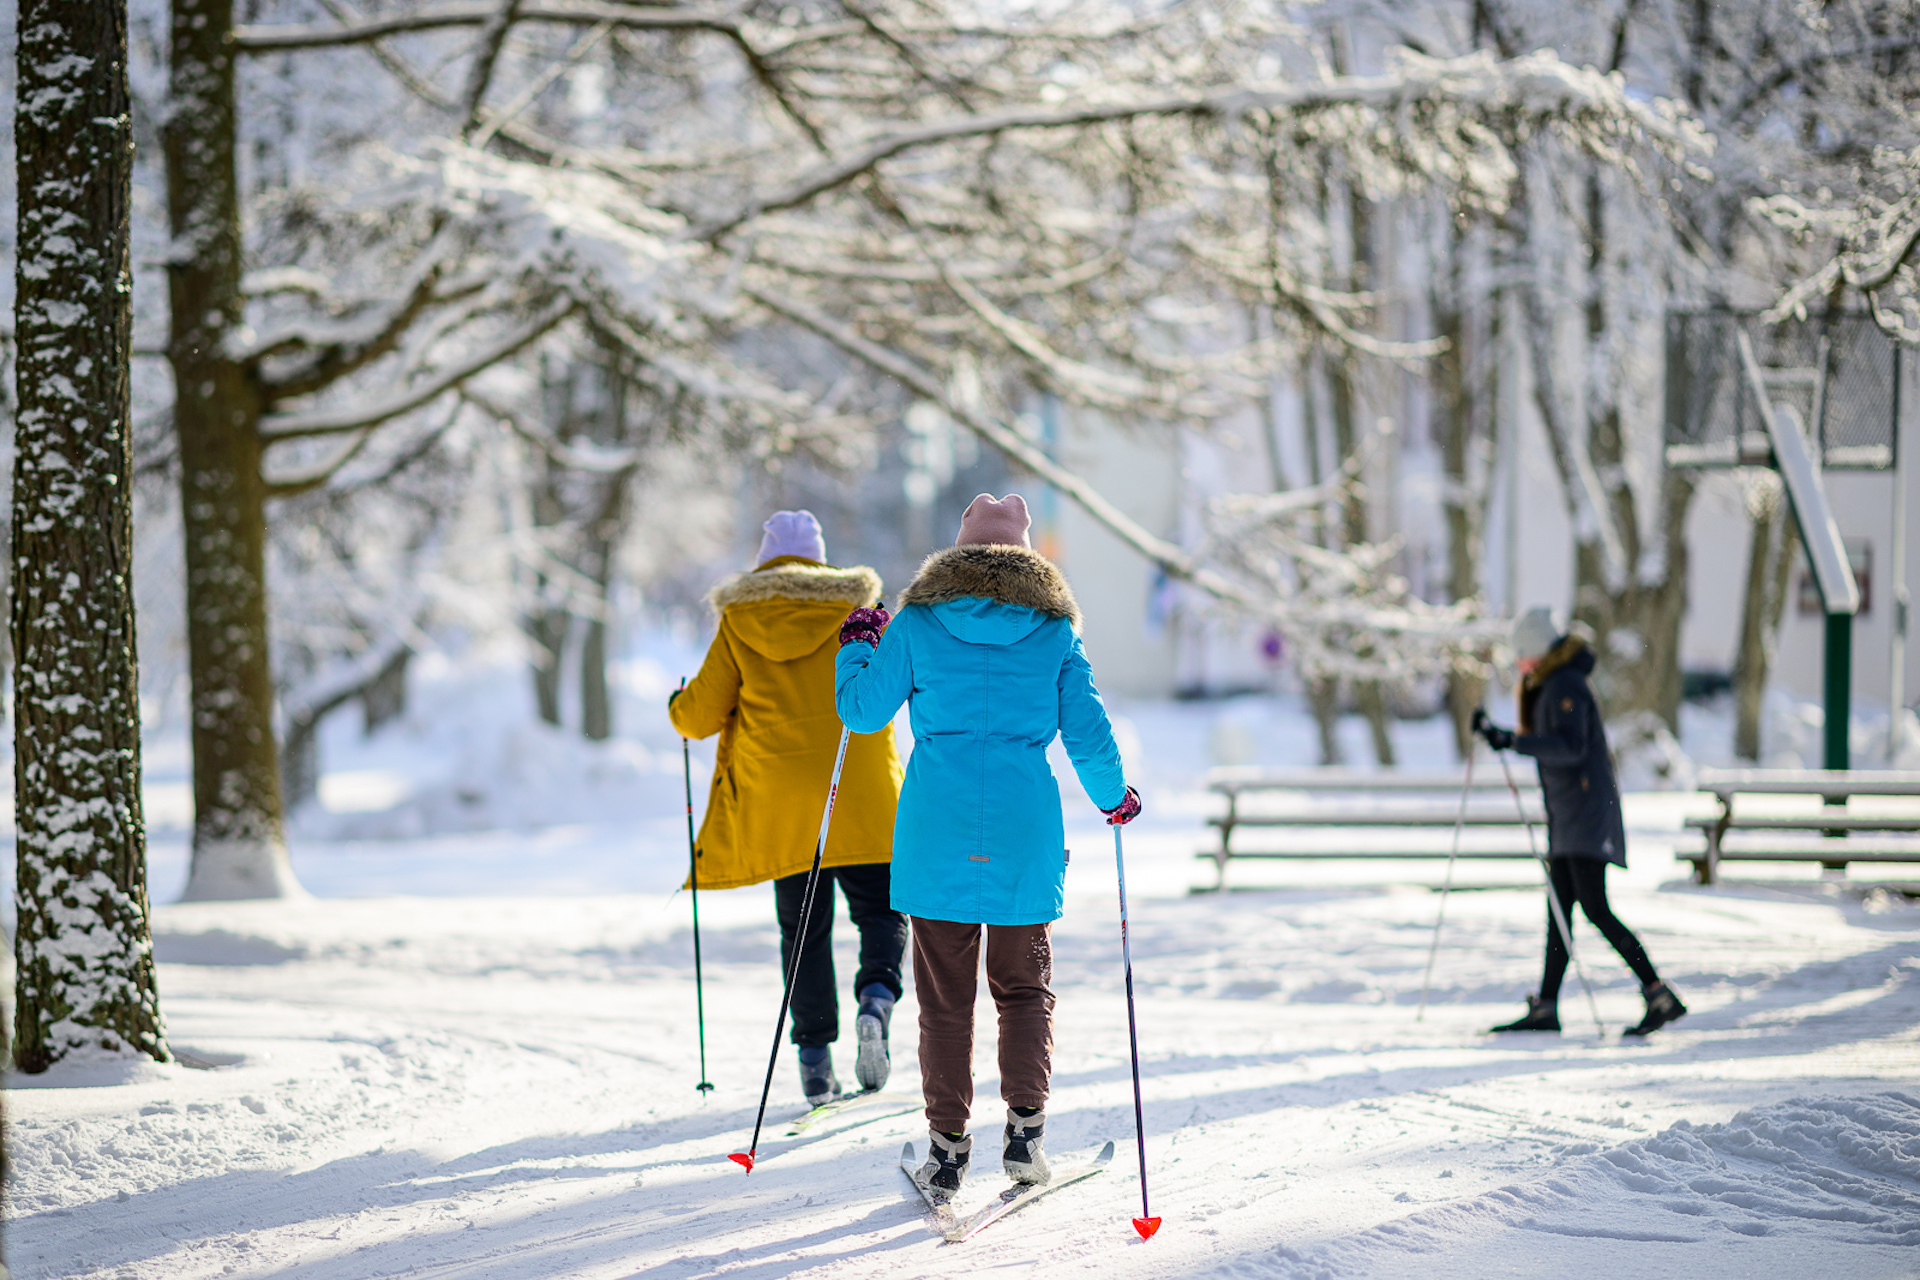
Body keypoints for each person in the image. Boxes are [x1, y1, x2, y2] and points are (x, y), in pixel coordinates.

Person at [834, 493, 1140, 1199]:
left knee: (944, 1001)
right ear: (1026, 558)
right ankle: (1026, 1142)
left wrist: (857, 646)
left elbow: (861, 711)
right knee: (1025, 990)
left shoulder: (915, 622)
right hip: (1022, 834)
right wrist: (1113, 798)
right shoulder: (1055, 632)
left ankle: (946, 1154)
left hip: (935, 831)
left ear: (961, 555)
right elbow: (1087, 733)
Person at [669, 510, 907, 1105]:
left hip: (781, 803)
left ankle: (814, 1062)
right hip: (860, 788)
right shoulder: (860, 614)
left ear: (765, 560)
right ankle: (876, 999)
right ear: (823, 560)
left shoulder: (739, 619)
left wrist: (678, 703)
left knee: (802, 931)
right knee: (881, 912)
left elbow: (698, 718)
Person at [1473, 606, 1686, 1038]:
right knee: (1560, 912)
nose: (1518, 662)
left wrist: (1512, 741)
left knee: (1594, 908)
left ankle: (1658, 994)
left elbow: (1569, 747)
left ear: (1536, 649)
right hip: (1571, 816)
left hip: (1586, 816)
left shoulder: (1565, 684)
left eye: (1521, 653)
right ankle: (1547, 1007)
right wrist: (1507, 738)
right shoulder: (1553, 682)